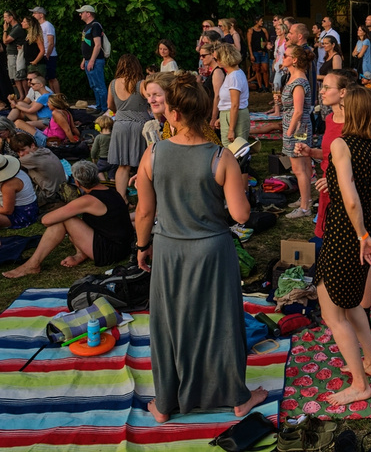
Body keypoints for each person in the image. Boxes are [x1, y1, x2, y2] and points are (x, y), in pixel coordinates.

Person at [134, 72, 267, 422]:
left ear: (173, 113)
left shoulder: (153, 153)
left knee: (170, 324)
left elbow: (144, 211)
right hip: (211, 250)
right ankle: (237, 397)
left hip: (169, 250)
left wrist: (141, 246)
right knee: (220, 323)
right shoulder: (221, 157)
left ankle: (165, 403)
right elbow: (240, 215)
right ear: (205, 111)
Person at [313, 84, 371, 406]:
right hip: (361, 234)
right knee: (352, 305)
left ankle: (359, 383)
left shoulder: (341, 144)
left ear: (352, 112)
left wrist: (362, 232)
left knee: (333, 313)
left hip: (344, 234)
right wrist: (364, 216)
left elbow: (350, 200)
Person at [3, 160, 133, 278]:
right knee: (69, 218)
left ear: (77, 182)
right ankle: (79, 255)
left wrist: (67, 210)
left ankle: (32, 264)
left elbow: (46, 220)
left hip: (110, 252)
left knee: (65, 219)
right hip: (122, 247)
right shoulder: (111, 191)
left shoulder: (88, 200)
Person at [295, 68, 359, 248]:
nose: (321, 91)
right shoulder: (330, 118)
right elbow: (330, 155)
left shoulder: (354, 123)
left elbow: (358, 164)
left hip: (345, 193)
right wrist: (311, 152)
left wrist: (337, 183)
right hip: (326, 189)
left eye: (327, 87)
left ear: (343, 92)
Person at [107, 54, 151, 201]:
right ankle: (145, 198)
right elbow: (150, 98)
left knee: (123, 165)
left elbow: (109, 105)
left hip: (120, 124)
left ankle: (121, 199)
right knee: (142, 165)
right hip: (139, 124)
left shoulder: (113, 83)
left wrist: (120, 110)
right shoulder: (141, 83)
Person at [280, 45, 314, 219]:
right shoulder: (293, 77)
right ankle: (305, 199)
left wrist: (289, 132)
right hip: (297, 126)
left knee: (299, 167)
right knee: (304, 166)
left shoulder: (299, 81)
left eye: (285, 55)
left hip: (298, 128)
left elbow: (298, 111)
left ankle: (304, 207)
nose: (282, 57)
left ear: (294, 60)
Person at [9, 132, 67, 206]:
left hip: (49, 196)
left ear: (32, 145)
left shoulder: (30, 158)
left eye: (23, 150)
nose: (21, 154)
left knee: (11, 186)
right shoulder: (44, 150)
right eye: (18, 152)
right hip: (61, 189)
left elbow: (8, 165)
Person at [213, 42, 250, 147]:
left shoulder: (234, 76)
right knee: (229, 146)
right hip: (229, 115)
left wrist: (231, 129)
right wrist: (222, 118)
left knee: (235, 148)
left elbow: (235, 104)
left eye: (216, 59)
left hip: (235, 116)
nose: (216, 62)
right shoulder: (232, 74)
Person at [15, 93, 80, 146]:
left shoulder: (56, 113)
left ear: (53, 103)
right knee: (24, 126)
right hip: (46, 134)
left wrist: (73, 144)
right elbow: (73, 128)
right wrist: (80, 138)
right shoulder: (67, 112)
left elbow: (67, 129)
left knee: (18, 123)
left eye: (48, 102)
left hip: (49, 140)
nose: (47, 104)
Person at [77, 4, 108, 113]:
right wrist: (84, 59)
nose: (80, 14)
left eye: (82, 12)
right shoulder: (87, 27)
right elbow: (87, 45)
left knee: (100, 85)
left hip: (95, 61)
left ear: (88, 13)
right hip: (88, 60)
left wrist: (92, 60)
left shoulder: (95, 26)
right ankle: (99, 106)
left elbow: (97, 44)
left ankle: (104, 108)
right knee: (94, 85)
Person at [0, 154, 39, 234]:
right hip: (32, 208)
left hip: (22, 215)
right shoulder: (17, 172)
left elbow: (7, 211)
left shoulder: (8, 185)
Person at [30, 7, 59, 94]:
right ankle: (52, 96)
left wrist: (47, 55)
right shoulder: (39, 26)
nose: (33, 15)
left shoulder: (47, 25)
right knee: (47, 78)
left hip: (50, 55)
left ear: (41, 15)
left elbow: (51, 42)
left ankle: (58, 96)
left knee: (52, 78)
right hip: (43, 54)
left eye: (35, 13)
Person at [3, 10, 26, 99]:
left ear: (11, 17)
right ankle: (20, 95)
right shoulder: (13, 28)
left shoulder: (17, 28)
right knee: (15, 77)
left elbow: (6, 40)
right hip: (12, 54)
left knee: (19, 76)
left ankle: (23, 95)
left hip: (15, 55)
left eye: (5, 17)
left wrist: (5, 29)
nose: (4, 19)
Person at [247, 16, 270, 92]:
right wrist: (251, 54)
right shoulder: (251, 31)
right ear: (256, 21)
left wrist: (265, 43)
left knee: (265, 69)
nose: (262, 22)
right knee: (257, 70)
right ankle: (260, 86)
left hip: (263, 52)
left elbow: (268, 41)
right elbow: (249, 44)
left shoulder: (264, 30)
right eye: (261, 21)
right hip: (255, 52)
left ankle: (266, 86)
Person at [91, 114, 117, 179]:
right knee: (112, 175)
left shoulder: (99, 137)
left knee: (98, 170)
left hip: (103, 160)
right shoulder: (115, 136)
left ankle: (103, 182)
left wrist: (93, 158)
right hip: (114, 160)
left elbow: (94, 150)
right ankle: (113, 185)